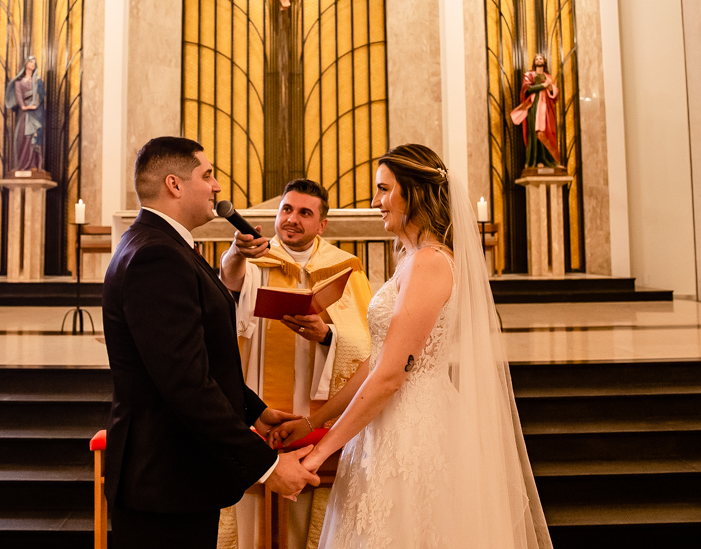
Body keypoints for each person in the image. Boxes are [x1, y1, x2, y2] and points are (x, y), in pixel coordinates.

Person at [269, 144, 552, 549]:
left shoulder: (430, 262)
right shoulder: (411, 258)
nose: (375, 202)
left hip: (413, 431)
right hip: (387, 422)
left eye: (384, 189)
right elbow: (378, 361)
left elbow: (389, 377)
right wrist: (315, 423)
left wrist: (316, 456)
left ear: (414, 193)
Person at [101, 137, 320, 549]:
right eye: (207, 175)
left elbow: (196, 351)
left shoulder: (163, 244)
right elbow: (185, 382)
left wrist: (254, 411)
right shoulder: (156, 256)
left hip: (175, 476)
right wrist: (268, 466)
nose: (217, 186)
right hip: (163, 479)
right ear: (174, 184)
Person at [218, 179, 373, 549]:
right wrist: (236, 253)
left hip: (314, 419)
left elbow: (369, 343)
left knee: (307, 525)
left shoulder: (345, 269)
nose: (292, 219)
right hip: (256, 411)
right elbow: (229, 281)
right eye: (287, 210)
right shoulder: (255, 256)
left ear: (322, 225)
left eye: (305, 213)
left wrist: (328, 335)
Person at [510, 53, 562, 170]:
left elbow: (554, 94)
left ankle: (549, 160)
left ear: (544, 61)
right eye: (537, 59)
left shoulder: (548, 77)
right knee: (535, 134)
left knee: (547, 133)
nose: (539, 60)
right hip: (534, 108)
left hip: (546, 109)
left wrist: (550, 88)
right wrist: (543, 85)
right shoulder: (529, 75)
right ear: (534, 62)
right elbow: (527, 89)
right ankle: (535, 160)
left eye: (541, 58)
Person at [4, 56, 45, 172]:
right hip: (25, 114)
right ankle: (22, 164)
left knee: (33, 138)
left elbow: (40, 97)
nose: (33, 64)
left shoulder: (37, 81)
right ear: (26, 63)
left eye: (34, 63)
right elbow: (19, 99)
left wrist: (35, 105)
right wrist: (26, 107)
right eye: (31, 62)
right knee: (22, 137)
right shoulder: (19, 82)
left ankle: (33, 165)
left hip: (35, 114)